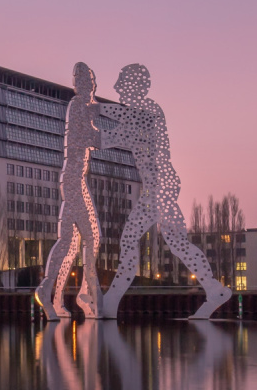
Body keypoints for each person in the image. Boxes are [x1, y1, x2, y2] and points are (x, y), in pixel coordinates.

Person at [97, 64, 231, 319]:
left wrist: (93, 113)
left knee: (130, 240)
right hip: (158, 187)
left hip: (159, 187)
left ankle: (111, 303)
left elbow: (118, 134)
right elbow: (121, 123)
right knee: (176, 242)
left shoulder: (149, 113)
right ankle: (214, 289)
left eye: (121, 83)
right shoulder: (143, 115)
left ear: (136, 87)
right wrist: (97, 113)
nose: (116, 88)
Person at [38, 63, 103, 320]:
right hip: (74, 181)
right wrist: (123, 133)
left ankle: (53, 297)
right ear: (81, 85)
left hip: (75, 180)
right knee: (91, 237)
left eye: (91, 83)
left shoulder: (83, 108)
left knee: (70, 243)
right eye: (87, 83)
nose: (91, 88)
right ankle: (85, 293)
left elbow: (91, 134)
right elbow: (92, 138)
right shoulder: (78, 106)